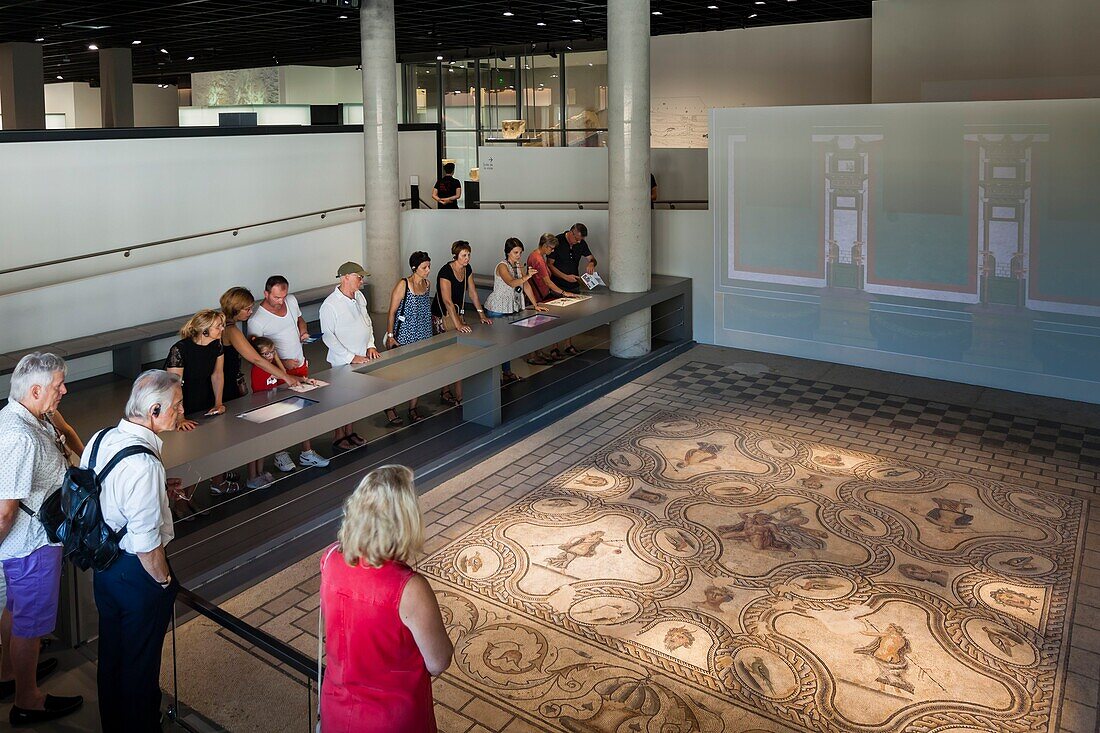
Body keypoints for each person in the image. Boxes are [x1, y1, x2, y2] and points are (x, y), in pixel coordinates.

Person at [319, 465, 452, 732]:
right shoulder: (409, 588)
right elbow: (438, 662)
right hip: (391, 719)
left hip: (337, 708)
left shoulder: (330, 558)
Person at [90, 369, 182, 732]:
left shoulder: (101, 438)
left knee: (111, 655)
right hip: (135, 573)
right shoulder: (144, 464)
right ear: (154, 410)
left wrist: (159, 494)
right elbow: (146, 546)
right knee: (141, 665)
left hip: (105, 567)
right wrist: (164, 582)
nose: (181, 411)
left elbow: (103, 494)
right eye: (176, 406)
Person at [0, 353, 83, 725]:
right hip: (32, 545)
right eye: (57, 386)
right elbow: (5, 510)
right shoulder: (20, 438)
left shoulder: (24, 415)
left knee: (16, 612)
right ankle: (27, 700)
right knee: (30, 625)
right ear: (35, 390)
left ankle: (7, 675)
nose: (64, 390)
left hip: (23, 546)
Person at [248, 276, 329, 472]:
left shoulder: (291, 301)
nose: (280, 301)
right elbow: (257, 355)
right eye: (276, 297)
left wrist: (303, 332)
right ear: (266, 294)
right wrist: (283, 364)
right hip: (277, 371)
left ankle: (307, 452)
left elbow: (299, 319)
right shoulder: (257, 320)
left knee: (305, 409)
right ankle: (280, 453)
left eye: (283, 296)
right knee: (278, 413)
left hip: (300, 364)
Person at [165, 309, 239, 505]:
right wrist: (180, 417)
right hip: (183, 402)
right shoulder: (179, 349)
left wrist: (218, 403)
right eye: (218, 326)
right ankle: (181, 502)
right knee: (186, 453)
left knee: (208, 446)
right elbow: (174, 385)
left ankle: (202, 489)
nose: (223, 329)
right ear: (204, 330)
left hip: (203, 398)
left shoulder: (217, 345)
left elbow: (217, 375)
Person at [320, 262, 383, 447]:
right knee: (341, 400)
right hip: (342, 361)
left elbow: (367, 322)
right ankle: (338, 436)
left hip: (361, 356)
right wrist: (350, 357)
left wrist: (370, 345)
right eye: (359, 277)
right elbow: (328, 337)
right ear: (346, 277)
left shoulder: (360, 296)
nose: (362, 280)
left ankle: (350, 432)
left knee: (354, 398)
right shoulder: (330, 305)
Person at [431, 241, 491, 405]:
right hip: (442, 316)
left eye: (469, 255)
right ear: (456, 255)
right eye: (464, 255)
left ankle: (454, 392)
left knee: (457, 354)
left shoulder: (467, 269)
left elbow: (472, 292)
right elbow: (447, 301)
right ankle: (446, 390)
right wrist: (458, 325)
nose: (467, 258)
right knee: (446, 355)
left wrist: (481, 314)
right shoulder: (445, 271)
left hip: (456, 314)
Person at [483, 238, 549, 385]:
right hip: (497, 308)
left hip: (511, 307)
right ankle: (493, 377)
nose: (518, 255)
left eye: (520, 252)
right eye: (516, 252)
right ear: (508, 252)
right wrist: (527, 276)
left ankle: (506, 372)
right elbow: (511, 282)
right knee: (498, 344)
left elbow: (526, 286)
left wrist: (535, 304)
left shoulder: (518, 265)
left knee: (507, 342)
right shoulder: (502, 266)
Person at [384, 252, 435, 424]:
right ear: (415, 268)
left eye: (428, 266)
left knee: (418, 373)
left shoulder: (427, 284)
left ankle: (412, 407)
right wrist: (391, 335)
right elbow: (391, 312)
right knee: (400, 374)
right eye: (424, 267)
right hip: (405, 335)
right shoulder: (403, 284)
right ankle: (390, 407)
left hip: (423, 334)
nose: (428, 270)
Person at [549, 222, 598, 297]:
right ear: (571, 233)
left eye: (581, 240)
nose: (578, 242)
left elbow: (592, 259)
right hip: (558, 287)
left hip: (575, 286)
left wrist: (591, 263)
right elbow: (549, 264)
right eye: (577, 239)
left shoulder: (581, 243)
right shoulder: (558, 241)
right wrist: (565, 277)